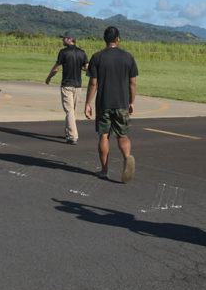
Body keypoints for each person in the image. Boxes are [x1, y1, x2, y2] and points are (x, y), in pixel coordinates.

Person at [85, 26, 138, 183]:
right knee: (123, 134)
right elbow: (132, 83)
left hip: (104, 102)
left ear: (105, 39)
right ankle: (127, 157)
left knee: (104, 135)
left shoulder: (97, 57)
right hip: (122, 102)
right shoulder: (128, 57)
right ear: (118, 39)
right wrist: (131, 102)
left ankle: (105, 169)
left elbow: (93, 83)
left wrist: (88, 103)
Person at [45, 32, 89, 144]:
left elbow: (56, 68)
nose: (62, 40)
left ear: (70, 39)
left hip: (67, 85)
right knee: (71, 111)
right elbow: (86, 68)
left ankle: (73, 136)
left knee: (69, 111)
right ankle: (68, 132)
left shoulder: (63, 52)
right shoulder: (82, 52)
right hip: (78, 86)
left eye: (64, 38)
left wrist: (49, 77)